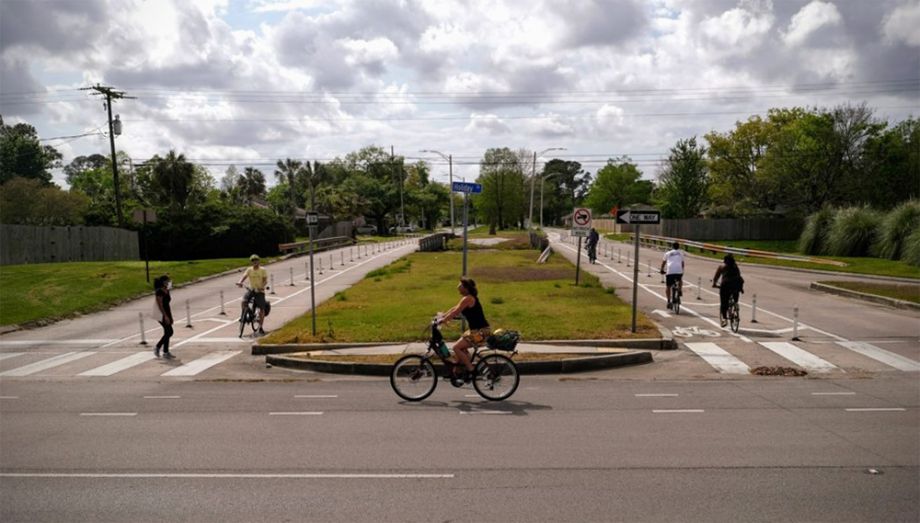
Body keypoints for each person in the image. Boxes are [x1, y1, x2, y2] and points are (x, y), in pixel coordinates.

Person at [437, 277, 490, 380]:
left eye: (460, 285)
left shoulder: (468, 299)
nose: (458, 287)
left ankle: (471, 370)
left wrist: (444, 321)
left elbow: (456, 312)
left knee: (456, 347)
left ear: (466, 288)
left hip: (481, 332)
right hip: (475, 331)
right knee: (460, 348)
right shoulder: (467, 298)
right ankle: (457, 373)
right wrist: (442, 317)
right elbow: (454, 308)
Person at [236, 254, 269, 335]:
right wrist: (240, 282)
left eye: (256, 260)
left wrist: (261, 287)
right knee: (243, 301)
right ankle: (245, 315)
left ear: (259, 261)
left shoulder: (262, 270)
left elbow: (265, 280)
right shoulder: (249, 270)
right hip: (251, 290)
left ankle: (260, 327)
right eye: (253, 261)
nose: (255, 262)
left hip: (259, 291)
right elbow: (244, 276)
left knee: (261, 308)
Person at [713, 254, 744, 327]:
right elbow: (739, 276)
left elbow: (716, 277)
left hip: (726, 285)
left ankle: (724, 319)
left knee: (724, 302)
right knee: (735, 295)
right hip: (737, 285)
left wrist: (714, 284)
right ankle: (736, 304)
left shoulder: (722, 267)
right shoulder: (735, 266)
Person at [153, 274, 175, 359]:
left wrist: (170, 316)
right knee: (169, 331)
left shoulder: (167, 290)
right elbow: (160, 305)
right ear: (163, 282)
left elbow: (167, 305)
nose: (169, 282)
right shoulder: (159, 291)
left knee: (168, 332)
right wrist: (165, 316)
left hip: (167, 312)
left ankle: (166, 352)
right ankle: (158, 347)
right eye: (167, 281)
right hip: (161, 313)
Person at [660, 241, 685, 310]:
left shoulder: (667, 253)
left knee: (668, 286)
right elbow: (682, 263)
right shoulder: (681, 253)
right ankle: (679, 290)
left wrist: (661, 270)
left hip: (670, 271)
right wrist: (682, 271)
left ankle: (668, 301)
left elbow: (663, 262)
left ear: (672, 247)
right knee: (680, 279)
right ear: (678, 247)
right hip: (678, 271)